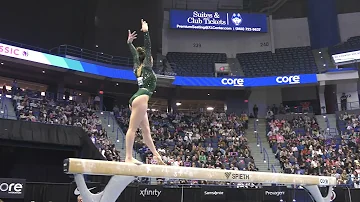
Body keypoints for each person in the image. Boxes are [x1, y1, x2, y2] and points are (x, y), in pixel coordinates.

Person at [125, 19, 165, 165]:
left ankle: (156, 155)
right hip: (142, 97)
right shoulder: (146, 66)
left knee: (146, 130)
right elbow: (148, 48)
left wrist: (130, 43)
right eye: (151, 58)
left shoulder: (137, 67)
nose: (152, 59)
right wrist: (146, 32)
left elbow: (136, 55)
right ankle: (128, 157)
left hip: (136, 98)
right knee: (132, 129)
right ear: (148, 59)